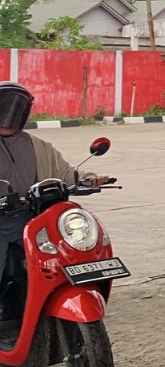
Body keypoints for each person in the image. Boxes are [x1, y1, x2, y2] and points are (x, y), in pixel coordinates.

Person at [0, 83, 113, 321]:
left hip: (34, 220)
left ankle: (45, 305)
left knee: (69, 252)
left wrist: (88, 179)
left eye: (18, 107)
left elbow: (64, 173)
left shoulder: (39, 146)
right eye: (7, 105)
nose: (11, 112)